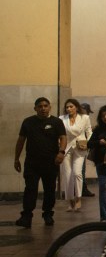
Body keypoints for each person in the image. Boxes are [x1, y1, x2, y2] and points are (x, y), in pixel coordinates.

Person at [13, 97, 66, 228]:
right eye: (40, 106)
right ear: (35, 108)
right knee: (30, 189)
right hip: (32, 163)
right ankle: (26, 216)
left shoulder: (56, 122)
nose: (43, 108)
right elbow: (21, 140)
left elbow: (63, 137)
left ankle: (48, 214)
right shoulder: (28, 122)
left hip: (50, 162)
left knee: (49, 189)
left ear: (50, 107)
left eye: (45, 106)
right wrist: (16, 158)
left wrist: (61, 152)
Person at [60, 98, 92, 212]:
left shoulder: (85, 118)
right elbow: (60, 134)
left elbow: (89, 133)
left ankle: (78, 198)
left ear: (76, 107)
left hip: (80, 147)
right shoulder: (62, 119)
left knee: (77, 173)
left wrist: (88, 143)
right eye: (67, 107)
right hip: (66, 148)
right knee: (67, 175)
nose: (69, 109)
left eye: (71, 106)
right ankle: (70, 200)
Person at [79, 103, 95, 198]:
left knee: (82, 170)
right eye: (87, 112)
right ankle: (81, 189)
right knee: (80, 170)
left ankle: (82, 189)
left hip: (83, 148)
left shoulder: (84, 120)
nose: (87, 114)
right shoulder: (80, 120)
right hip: (79, 148)